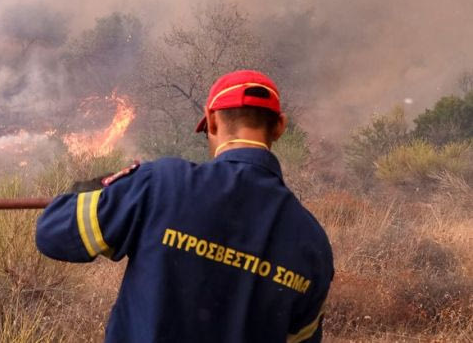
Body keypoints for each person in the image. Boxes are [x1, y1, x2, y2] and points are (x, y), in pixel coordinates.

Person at [36, 70, 333, 342]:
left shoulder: (161, 185)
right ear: (280, 127)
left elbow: (53, 233)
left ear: (212, 120)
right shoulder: (313, 243)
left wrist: (102, 190)